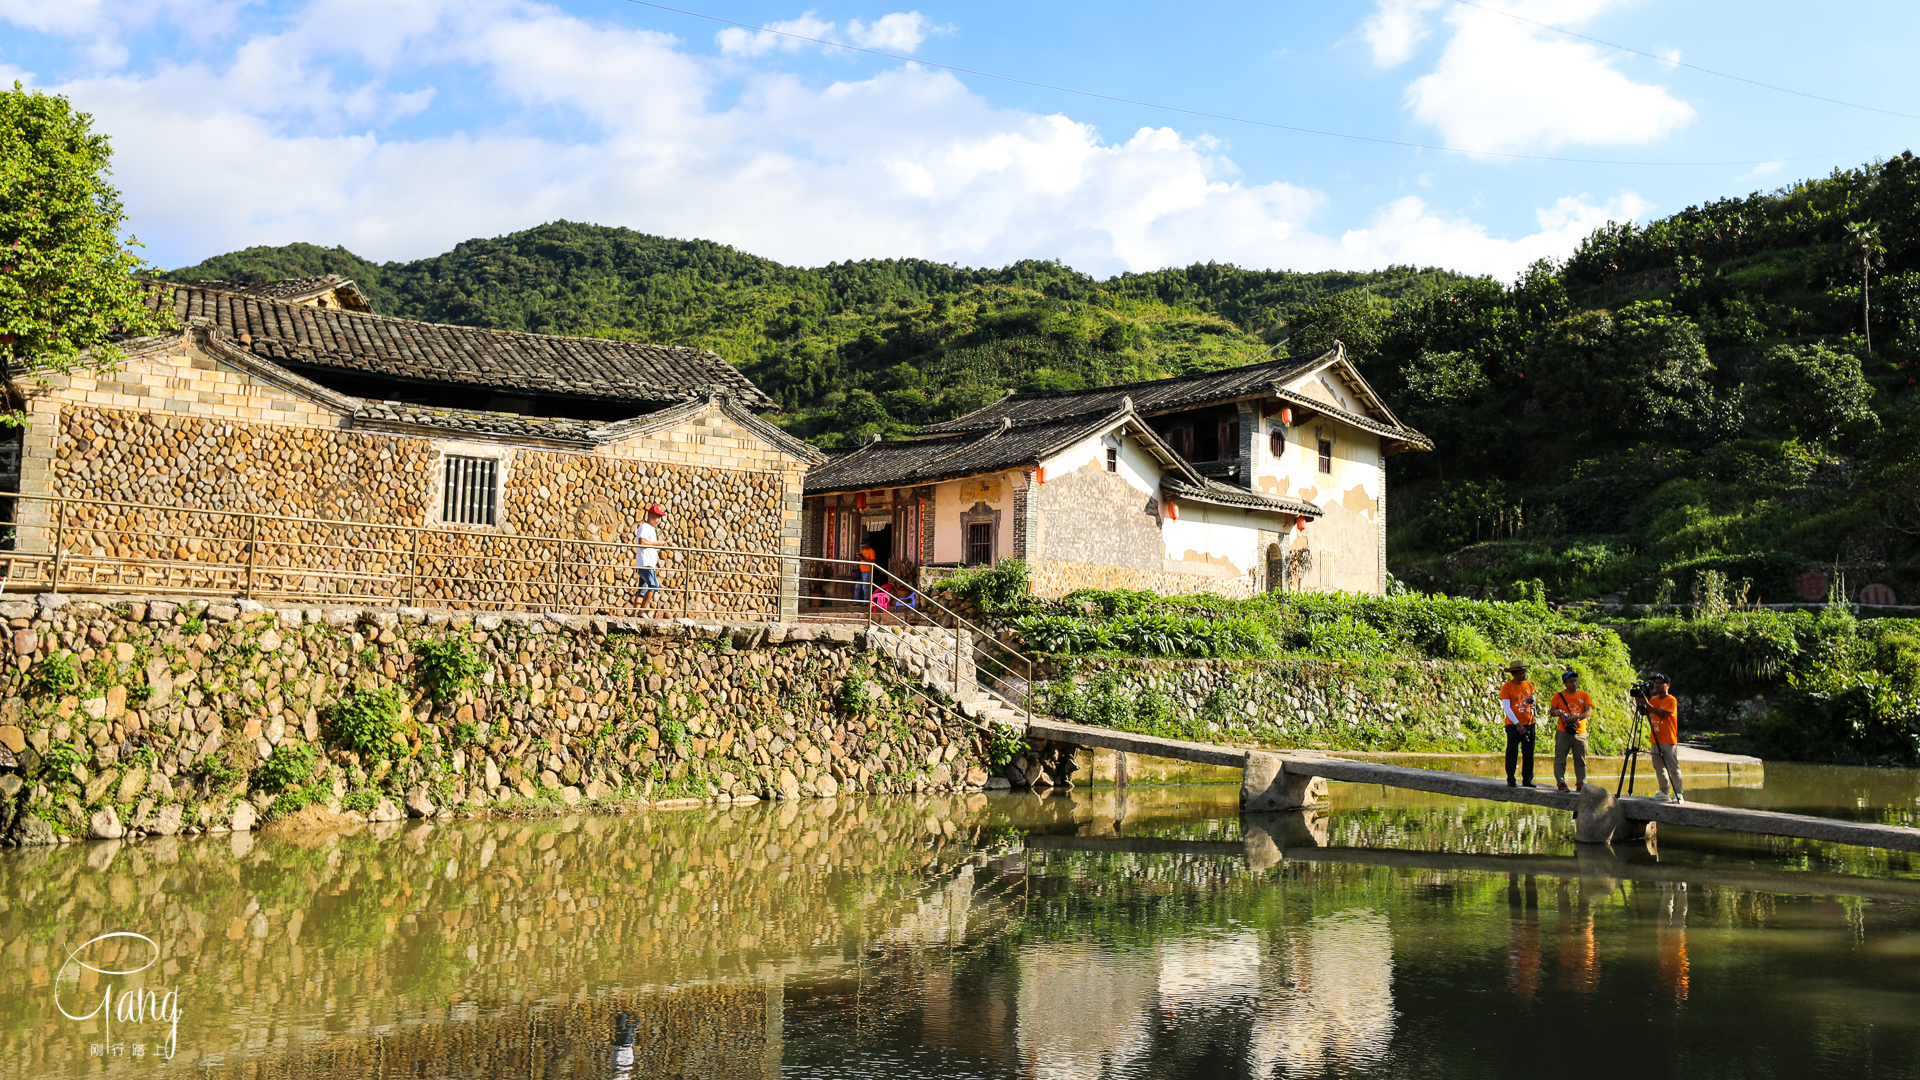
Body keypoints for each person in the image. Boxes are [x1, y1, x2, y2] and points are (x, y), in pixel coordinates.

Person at [1638, 672, 1684, 802]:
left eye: (1660, 683)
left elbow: (1662, 714)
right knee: (1659, 767)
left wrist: (1647, 703)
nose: (1657, 685)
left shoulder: (1671, 700)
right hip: (1655, 739)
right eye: (1656, 683)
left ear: (1667, 685)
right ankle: (1663, 791)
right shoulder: (1653, 700)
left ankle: (1678, 793)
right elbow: (1643, 712)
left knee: (1673, 768)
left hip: (1668, 739)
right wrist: (1640, 701)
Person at [1548, 669, 1592, 792]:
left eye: (1575, 681)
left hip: (1580, 731)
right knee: (1560, 757)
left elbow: (1588, 712)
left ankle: (1581, 783)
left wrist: (1576, 717)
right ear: (1564, 683)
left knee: (1581, 759)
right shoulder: (1558, 696)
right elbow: (1552, 711)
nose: (1574, 683)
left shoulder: (1584, 695)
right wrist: (1557, 712)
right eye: (1571, 681)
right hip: (1563, 730)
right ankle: (1561, 782)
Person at [1497, 660, 1537, 787]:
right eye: (1520, 674)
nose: (1523, 675)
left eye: (1524, 673)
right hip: (1513, 724)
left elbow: (1533, 700)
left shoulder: (1528, 685)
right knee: (1512, 751)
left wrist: (1532, 701)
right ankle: (1511, 777)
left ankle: (1527, 779)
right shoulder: (1507, 687)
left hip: (1529, 721)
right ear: (1514, 674)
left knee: (1529, 752)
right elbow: (1507, 708)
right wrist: (1517, 724)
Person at [633, 504, 667, 613]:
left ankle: (634, 615)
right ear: (650, 516)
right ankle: (641, 612)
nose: (659, 520)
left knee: (642, 591)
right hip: (645, 563)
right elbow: (641, 542)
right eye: (657, 517)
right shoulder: (645, 527)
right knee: (654, 586)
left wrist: (660, 543)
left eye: (660, 517)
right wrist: (658, 543)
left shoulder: (651, 529)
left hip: (647, 564)